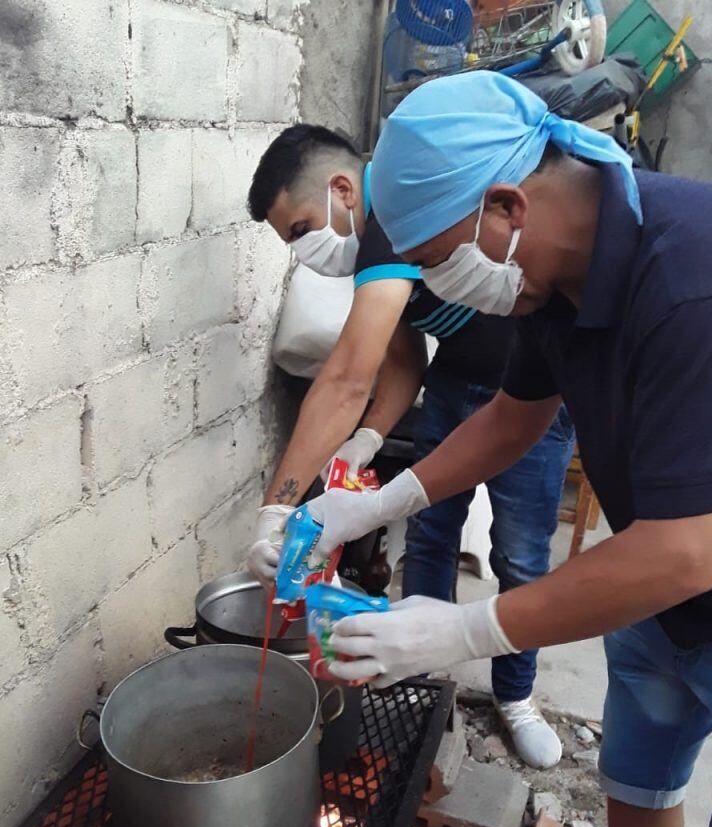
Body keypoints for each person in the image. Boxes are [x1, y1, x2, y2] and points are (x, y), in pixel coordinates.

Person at [303, 73, 712, 827]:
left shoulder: (700, 283)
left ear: (508, 207)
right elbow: (513, 423)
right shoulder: (553, 279)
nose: (438, 288)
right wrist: (376, 500)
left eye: (438, 260)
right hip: (650, 600)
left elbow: (687, 552)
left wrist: (465, 631)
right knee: (639, 788)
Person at [246, 124, 575, 768]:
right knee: (426, 538)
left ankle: (517, 698)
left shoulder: (390, 213)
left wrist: (276, 510)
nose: (302, 250)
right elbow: (400, 363)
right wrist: (366, 439)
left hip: (533, 394)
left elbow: (346, 377)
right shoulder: (374, 251)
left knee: (522, 555)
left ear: (343, 189)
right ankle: (426, 685)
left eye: (300, 228)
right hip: (454, 383)